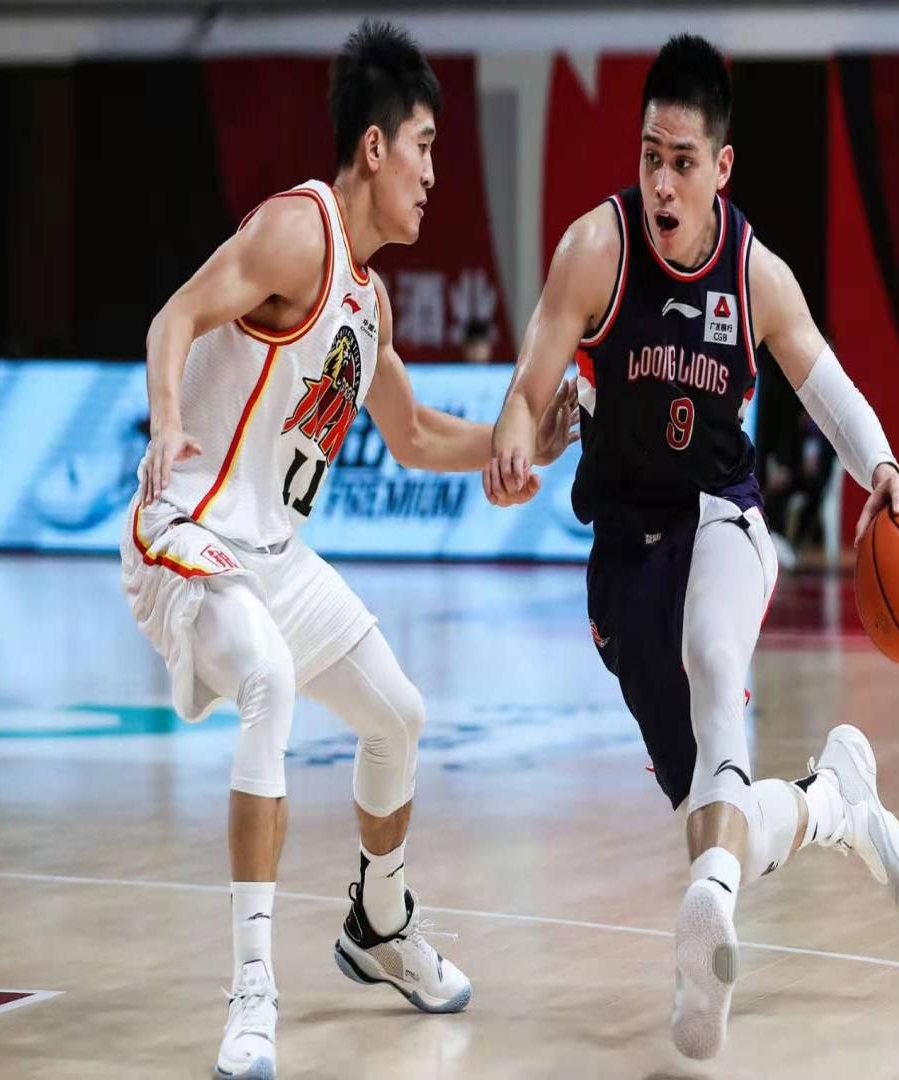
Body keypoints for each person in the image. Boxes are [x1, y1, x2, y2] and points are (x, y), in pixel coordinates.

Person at [119, 21, 577, 1080]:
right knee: (269, 683)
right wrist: (164, 420)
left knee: (399, 716)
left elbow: (413, 437)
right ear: (375, 148)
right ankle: (252, 991)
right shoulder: (299, 231)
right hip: (184, 531)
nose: (434, 175)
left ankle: (379, 920)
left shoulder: (366, 302)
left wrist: (522, 444)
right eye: (424, 146)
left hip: (270, 557)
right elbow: (173, 317)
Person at [485, 34, 899, 1060]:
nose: (662, 181)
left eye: (683, 161)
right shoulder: (595, 249)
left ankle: (707, 927)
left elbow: (826, 386)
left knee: (715, 652)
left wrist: (881, 467)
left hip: (724, 516)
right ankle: (828, 805)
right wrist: (516, 440)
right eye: (650, 156)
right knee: (712, 806)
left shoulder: (756, 274)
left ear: (721, 167)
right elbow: (529, 386)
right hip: (624, 548)